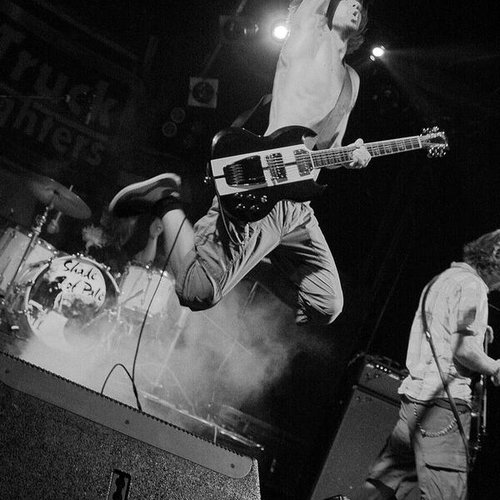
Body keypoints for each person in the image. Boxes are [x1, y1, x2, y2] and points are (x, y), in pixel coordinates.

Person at [109, 0, 371, 325]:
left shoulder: (352, 80)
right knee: (197, 292)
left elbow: (330, 149)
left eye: (362, 4)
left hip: (297, 209)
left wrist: (350, 157)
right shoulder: (307, 35)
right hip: (262, 186)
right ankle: (165, 200)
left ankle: (255, 258)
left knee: (326, 305)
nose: (357, 4)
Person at [352, 229, 500, 500]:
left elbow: (445, 330)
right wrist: (494, 367)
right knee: (446, 494)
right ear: (496, 256)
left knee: (380, 488)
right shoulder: (473, 286)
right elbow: (463, 349)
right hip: (443, 406)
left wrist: (479, 331)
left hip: (415, 400)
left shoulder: (442, 280)